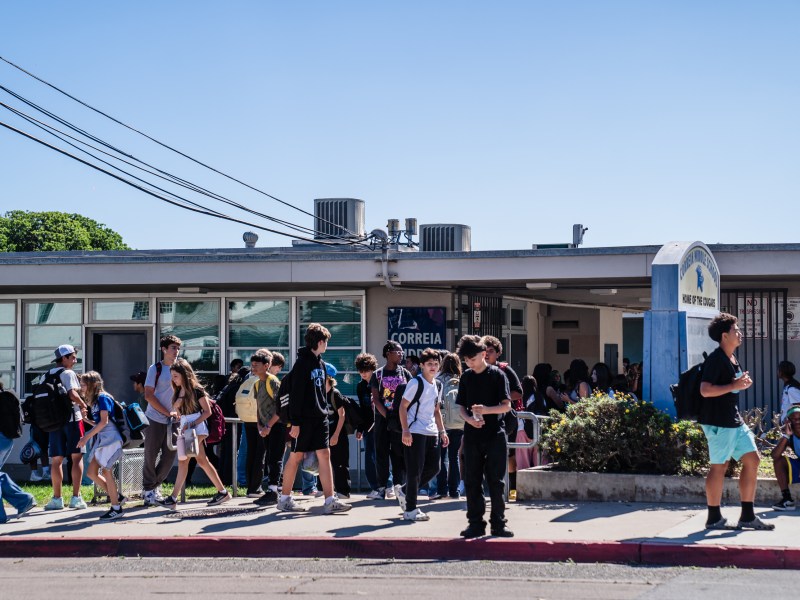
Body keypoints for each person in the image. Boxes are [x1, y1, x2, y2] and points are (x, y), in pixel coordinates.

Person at [699, 312, 774, 530]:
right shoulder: (716, 359)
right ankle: (714, 518)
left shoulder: (731, 357)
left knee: (753, 459)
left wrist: (739, 382)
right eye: (736, 330)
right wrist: (734, 385)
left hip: (733, 420)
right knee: (719, 466)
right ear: (724, 335)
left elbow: (730, 385)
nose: (740, 333)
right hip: (718, 422)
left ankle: (748, 517)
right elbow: (705, 390)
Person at [277, 323, 350, 514]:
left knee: (325, 454)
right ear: (320, 342)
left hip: (320, 418)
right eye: (326, 342)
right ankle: (284, 499)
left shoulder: (321, 363)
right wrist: (295, 423)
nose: (327, 345)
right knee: (296, 457)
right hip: (303, 420)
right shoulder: (302, 364)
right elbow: (296, 395)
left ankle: (330, 500)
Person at [455, 335, 513, 538]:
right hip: (472, 435)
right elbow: (461, 406)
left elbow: (507, 405)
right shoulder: (466, 377)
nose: (469, 363)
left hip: (495, 434)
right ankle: (475, 523)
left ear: (483, 354)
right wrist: (469, 419)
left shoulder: (497, 375)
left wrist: (486, 410)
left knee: (496, 481)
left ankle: (498, 523)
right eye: (466, 360)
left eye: (472, 358)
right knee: (472, 480)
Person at [159, 358, 231, 507]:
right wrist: (178, 410)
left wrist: (192, 424)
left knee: (183, 460)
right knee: (202, 461)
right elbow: (179, 413)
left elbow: (207, 412)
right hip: (187, 427)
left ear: (184, 375)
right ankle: (223, 492)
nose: (173, 379)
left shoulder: (196, 390)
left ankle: (173, 498)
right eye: (172, 376)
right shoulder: (178, 390)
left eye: (176, 376)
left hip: (196, 428)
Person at [395, 348, 449, 521]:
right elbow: (402, 407)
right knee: (414, 471)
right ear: (422, 366)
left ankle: (404, 490)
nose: (433, 367)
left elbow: (436, 410)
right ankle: (410, 509)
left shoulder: (438, 384)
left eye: (435, 364)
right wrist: (405, 430)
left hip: (431, 431)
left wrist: (442, 431)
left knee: (435, 467)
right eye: (429, 364)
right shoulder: (415, 383)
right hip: (415, 431)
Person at [44, 344, 89, 511]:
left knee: (56, 460)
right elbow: (72, 394)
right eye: (72, 356)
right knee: (77, 458)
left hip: (54, 423)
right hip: (72, 420)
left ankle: (57, 499)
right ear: (64, 358)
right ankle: (76, 498)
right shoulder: (68, 373)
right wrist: (83, 404)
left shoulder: (46, 375)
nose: (75, 359)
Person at [76, 371, 125, 520]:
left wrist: (86, 437)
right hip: (104, 439)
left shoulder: (103, 398)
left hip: (111, 439)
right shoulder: (96, 401)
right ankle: (116, 497)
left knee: (106, 471)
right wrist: (86, 420)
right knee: (91, 472)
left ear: (93, 385)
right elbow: (100, 424)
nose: (81, 388)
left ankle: (116, 508)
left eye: (84, 385)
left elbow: (104, 422)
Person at [370, 341, 413, 500]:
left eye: (402, 352)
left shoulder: (405, 374)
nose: (401, 354)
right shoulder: (378, 374)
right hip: (382, 420)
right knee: (381, 454)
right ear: (388, 353)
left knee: (398, 455)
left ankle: (398, 487)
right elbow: (376, 398)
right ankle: (381, 487)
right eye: (398, 351)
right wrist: (386, 416)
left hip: (400, 420)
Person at [142, 335, 181, 507]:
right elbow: (148, 395)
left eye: (178, 348)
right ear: (164, 349)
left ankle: (154, 486)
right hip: (155, 418)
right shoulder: (155, 368)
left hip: (175, 419)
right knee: (150, 454)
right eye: (173, 347)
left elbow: (188, 389)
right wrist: (167, 412)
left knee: (170, 455)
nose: (176, 351)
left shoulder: (181, 367)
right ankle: (149, 490)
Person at [480, 336, 523, 496]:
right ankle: (489, 489)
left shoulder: (505, 370)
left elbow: (519, 393)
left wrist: (500, 399)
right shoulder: (477, 371)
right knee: (485, 455)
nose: (487, 354)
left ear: (498, 353)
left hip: (505, 420)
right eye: (485, 351)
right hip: (484, 420)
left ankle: (512, 488)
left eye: (491, 351)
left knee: (509, 455)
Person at [251, 351, 284, 507]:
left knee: (275, 458)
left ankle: (274, 490)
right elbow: (258, 406)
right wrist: (259, 424)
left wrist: (269, 425)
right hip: (265, 427)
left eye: (256, 365)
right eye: (252, 365)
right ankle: (271, 490)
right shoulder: (257, 384)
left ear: (266, 366)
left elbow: (281, 407)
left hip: (277, 426)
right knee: (269, 457)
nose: (253, 368)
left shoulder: (273, 381)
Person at [436, 352, 462, 499]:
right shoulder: (462, 380)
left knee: (442, 457)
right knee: (454, 457)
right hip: (459, 424)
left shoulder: (438, 381)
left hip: (443, 424)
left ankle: (442, 490)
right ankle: (455, 490)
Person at [355, 353, 381, 498]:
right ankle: (375, 487)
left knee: (382, 455)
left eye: (366, 370)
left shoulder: (380, 381)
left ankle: (387, 485)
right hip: (368, 426)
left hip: (382, 424)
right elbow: (363, 409)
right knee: (370, 456)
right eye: (361, 371)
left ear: (372, 369)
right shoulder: (360, 386)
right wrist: (360, 428)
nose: (363, 374)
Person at [326, 375, 351, 498]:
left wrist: (336, 435)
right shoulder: (319, 394)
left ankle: (343, 491)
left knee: (340, 462)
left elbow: (342, 416)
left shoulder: (335, 393)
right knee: (327, 462)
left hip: (338, 432)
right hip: (326, 433)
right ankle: (327, 489)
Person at [771, 405, 800, 510]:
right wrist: (786, 436)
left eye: (799, 418)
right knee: (779, 461)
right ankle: (787, 500)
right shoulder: (790, 437)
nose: (797, 421)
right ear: (788, 421)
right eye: (794, 419)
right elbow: (774, 455)